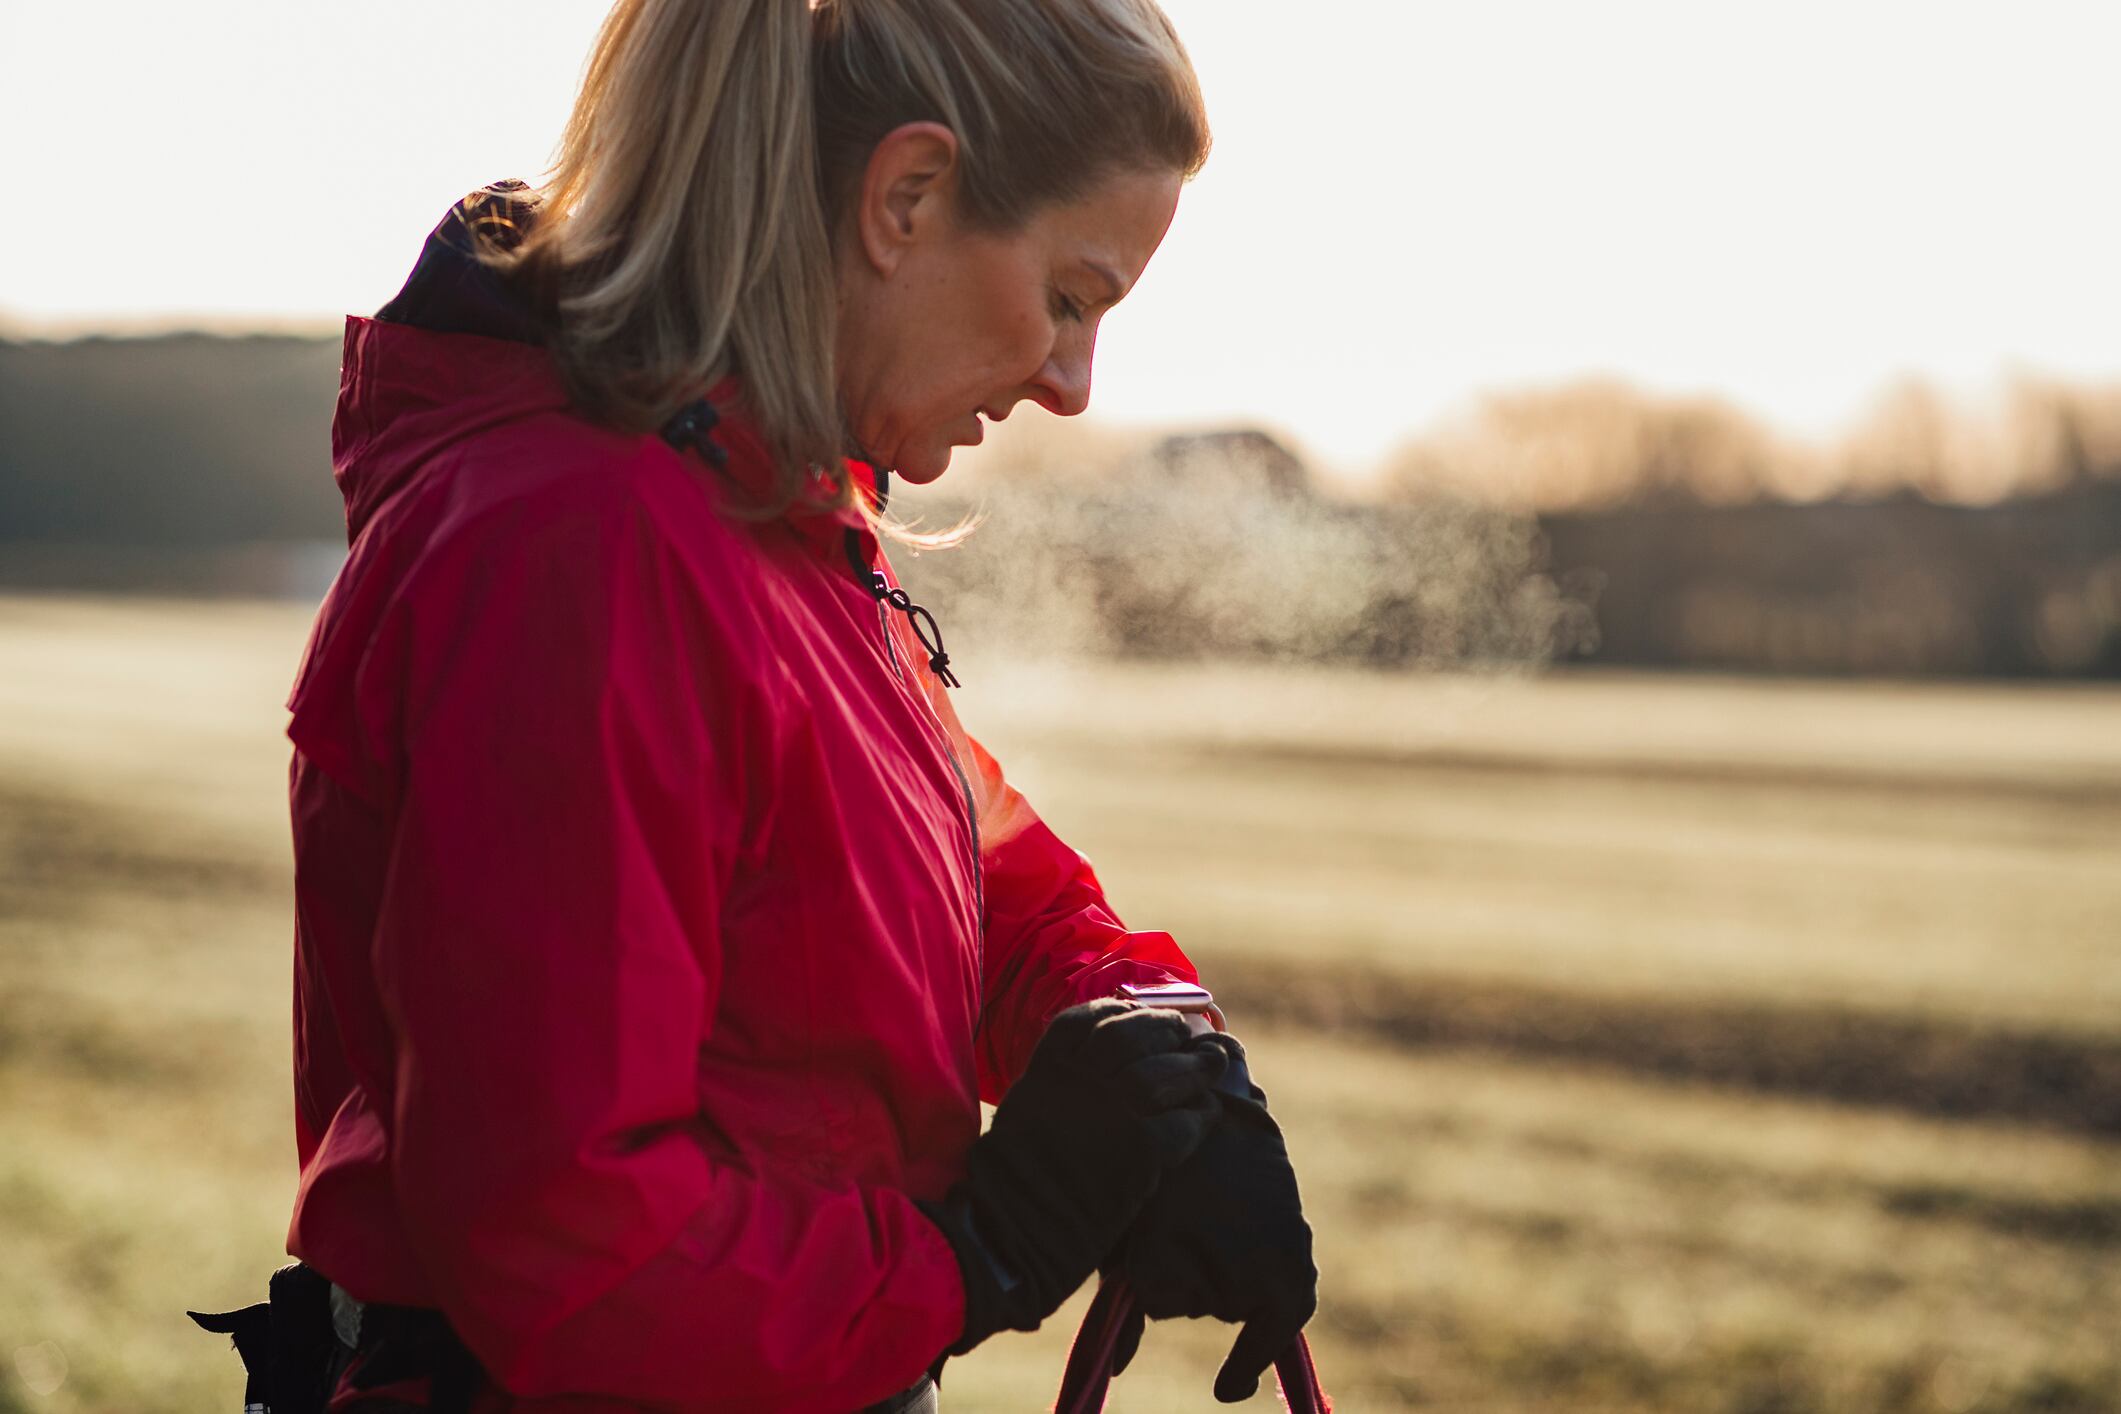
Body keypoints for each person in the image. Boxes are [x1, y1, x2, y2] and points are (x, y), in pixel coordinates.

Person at [199, 1, 1315, 1409]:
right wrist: (974, 1255)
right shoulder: (583, 554)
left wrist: (1167, 1059)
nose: (1072, 385)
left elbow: (979, 885)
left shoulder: (764, 521)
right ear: (904, 197)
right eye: (1070, 296)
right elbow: (573, 1244)